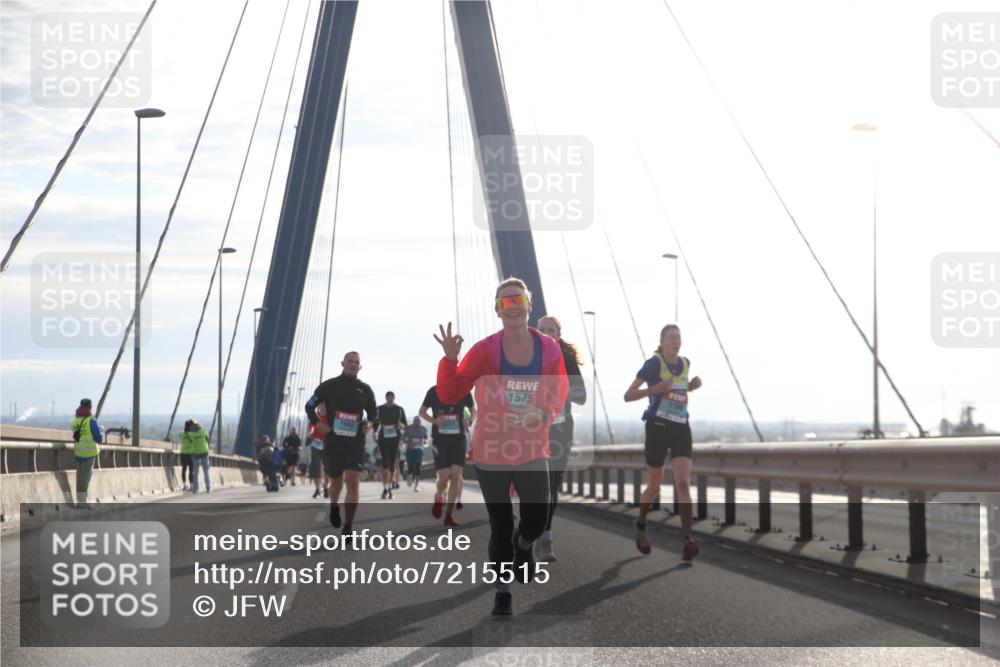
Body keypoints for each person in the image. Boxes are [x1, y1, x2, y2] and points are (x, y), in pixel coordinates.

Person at [434, 277, 568, 617]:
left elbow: (559, 392)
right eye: (505, 303)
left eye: (518, 300)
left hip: (532, 448)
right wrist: (451, 361)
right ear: (497, 310)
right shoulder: (483, 351)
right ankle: (503, 591)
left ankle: (524, 547)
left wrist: (542, 413)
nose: (512, 307)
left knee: (537, 516)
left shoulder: (549, 350)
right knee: (500, 524)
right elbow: (450, 394)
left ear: (529, 305)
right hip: (492, 451)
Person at [624, 324, 703, 560]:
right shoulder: (653, 364)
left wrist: (691, 386)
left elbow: (678, 389)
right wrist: (655, 389)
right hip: (657, 428)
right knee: (655, 487)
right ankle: (641, 524)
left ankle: (688, 538)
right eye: (671, 337)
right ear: (662, 341)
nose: (676, 341)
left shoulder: (685, 363)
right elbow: (628, 395)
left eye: (679, 337)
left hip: (680, 427)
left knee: (683, 484)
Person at [305, 351, 377, 539]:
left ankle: (348, 526)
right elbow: (309, 406)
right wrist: (318, 423)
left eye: (356, 362)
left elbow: (373, 413)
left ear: (360, 367)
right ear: (342, 363)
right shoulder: (329, 386)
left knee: (353, 480)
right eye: (350, 361)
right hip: (334, 442)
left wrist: (369, 423)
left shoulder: (365, 390)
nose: (353, 364)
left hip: (355, 442)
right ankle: (334, 505)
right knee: (336, 481)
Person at [535, 315, 587, 562]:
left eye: (551, 330)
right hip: (531, 429)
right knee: (534, 484)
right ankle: (530, 528)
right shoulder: (525, 356)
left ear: (558, 334)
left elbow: (581, 397)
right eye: (542, 329)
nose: (546, 333)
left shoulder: (567, 360)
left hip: (560, 428)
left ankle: (545, 534)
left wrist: (564, 382)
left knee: (551, 486)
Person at [420, 385, 474, 526]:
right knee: (444, 476)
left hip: (458, 438)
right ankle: (439, 497)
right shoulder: (433, 391)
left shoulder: (464, 390)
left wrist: (469, 420)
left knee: (456, 474)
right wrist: (434, 421)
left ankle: (448, 515)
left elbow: (473, 410)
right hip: (440, 439)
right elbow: (422, 412)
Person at [71, 398, 103, 508]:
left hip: (78, 452)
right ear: (90, 407)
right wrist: (101, 431)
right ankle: (83, 502)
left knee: (79, 478)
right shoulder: (92, 421)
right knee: (85, 478)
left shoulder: (75, 421)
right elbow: (99, 438)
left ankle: (80, 500)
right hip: (89, 454)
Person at [375, 392, 406, 499]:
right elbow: (376, 423)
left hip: (395, 439)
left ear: (394, 398)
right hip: (383, 438)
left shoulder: (399, 409)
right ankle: (386, 488)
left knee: (392, 464)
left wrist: (400, 425)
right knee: (384, 463)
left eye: (392, 398)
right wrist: (375, 433)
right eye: (389, 398)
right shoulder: (379, 409)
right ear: (386, 398)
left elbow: (404, 424)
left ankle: (389, 486)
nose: (390, 400)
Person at [182, 419, 211, 494]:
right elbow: (207, 439)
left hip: (195, 453)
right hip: (204, 452)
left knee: (195, 472)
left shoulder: (191, 434)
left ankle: (196, 489)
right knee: (206, 471)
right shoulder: (203, 431)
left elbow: (190, 441)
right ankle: (208, 487)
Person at [402, 416, 428, 492]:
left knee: (418, 468)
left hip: (419, 450)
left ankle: (416, 486)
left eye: (419, 421)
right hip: (410, 450)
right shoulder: (408, 428)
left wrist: (424, 441)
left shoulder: (423, 429)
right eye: (416, 421)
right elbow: (403, 439)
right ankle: (409, 477)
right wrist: (409, 442)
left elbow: (426, 438)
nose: (417, 422)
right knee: (410, 467)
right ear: (413, 421)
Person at [307, 410, 328, 498]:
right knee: (316, 467)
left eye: (324, 404)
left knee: (327, 468)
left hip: (327, 444)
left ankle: (326, 487)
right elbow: (311, 427)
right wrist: (311, 432)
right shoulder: (315, 416)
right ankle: (318, 490)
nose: (322, 406)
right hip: (316, 444)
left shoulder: (330, 415)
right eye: (320, 405)